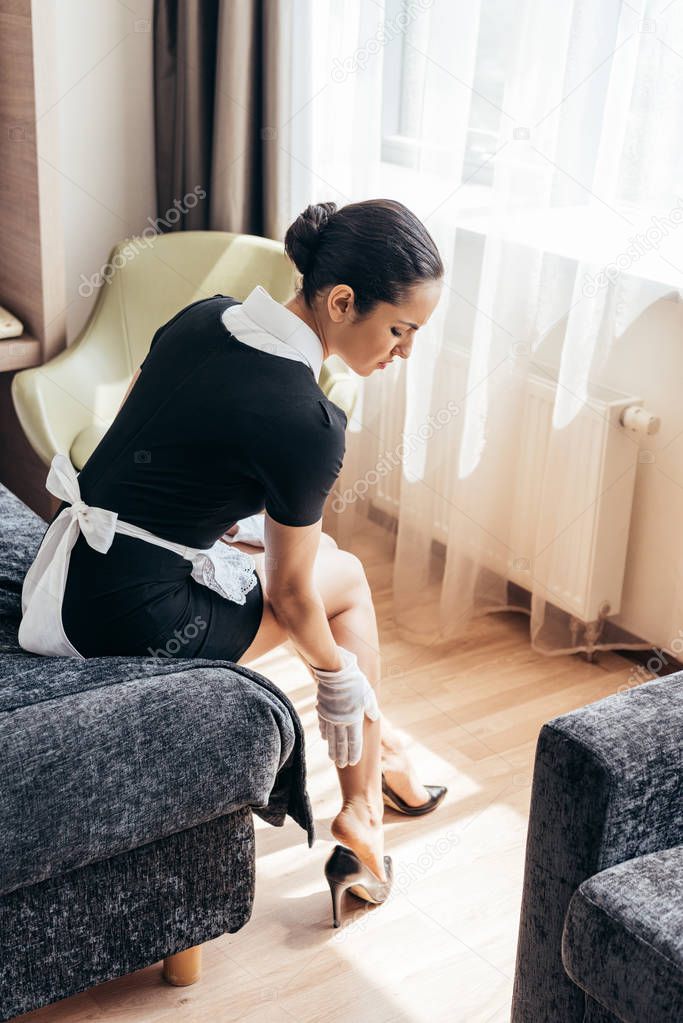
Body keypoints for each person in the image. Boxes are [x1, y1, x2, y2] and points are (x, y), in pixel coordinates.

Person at [30, 198, 446, 923]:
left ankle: (383, 765)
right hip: (130, 620)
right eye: (400, 329)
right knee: (341, 583)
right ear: (342, 302)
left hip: (74, 574)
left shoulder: (203, 317)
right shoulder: (310, 422)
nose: (404, 351)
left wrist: (211, 522)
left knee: (324, 563)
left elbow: (135, 434)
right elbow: (291, 594)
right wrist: (334, 678)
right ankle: (361, 809)